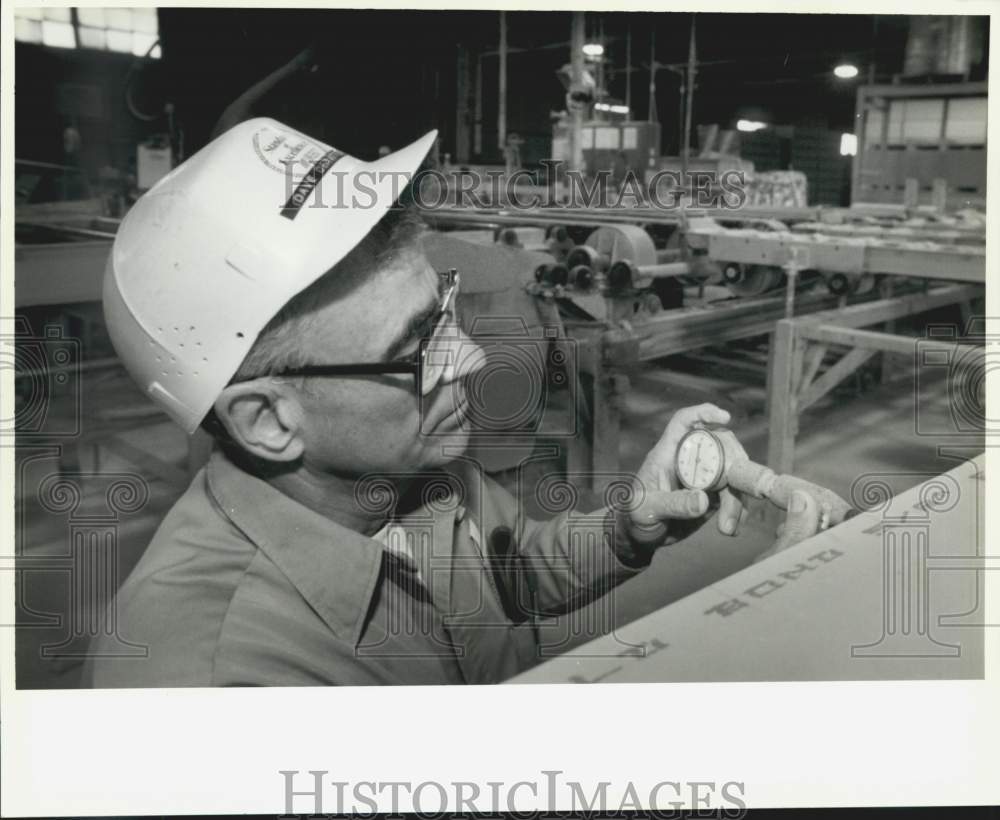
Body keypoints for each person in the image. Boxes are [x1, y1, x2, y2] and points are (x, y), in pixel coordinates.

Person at [85, 117, 842, 687]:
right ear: (268, 421)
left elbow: (512, 577)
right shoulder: (214, 682)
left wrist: (627, 526)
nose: (472, 357)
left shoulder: (412, 481)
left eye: (444, 306)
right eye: (417, 347)